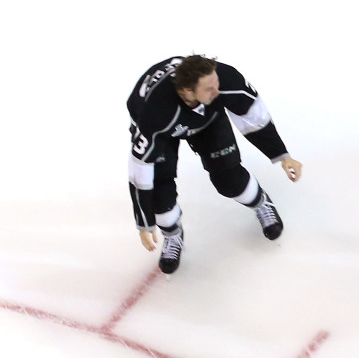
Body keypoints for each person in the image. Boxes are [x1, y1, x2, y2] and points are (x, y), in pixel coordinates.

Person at [127, 54, 302, 274]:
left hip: (206, 118)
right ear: (188, 91)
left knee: (230, 180)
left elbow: (255, 116)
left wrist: (282, 155)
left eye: (216, 82)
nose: (217, 90)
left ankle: (261, 203)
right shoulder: (155, 114)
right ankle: (172, 235)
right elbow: (140, 169)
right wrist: (144, 223)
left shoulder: (223, 80)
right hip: (163, 129)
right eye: (209, 88)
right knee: (160, 197)